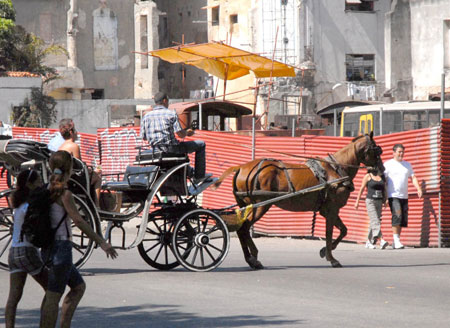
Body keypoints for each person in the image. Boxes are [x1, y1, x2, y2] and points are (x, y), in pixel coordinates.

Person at [40, 150, 118, 328]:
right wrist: (101, 241)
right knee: (53, 296)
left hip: (46, 247)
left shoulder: (45, 189)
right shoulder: (64, 193)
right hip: (61, 248)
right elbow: (78, 220)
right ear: (70, 170)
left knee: (77, 287)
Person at [5, 170, 48, 328]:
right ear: (30, 184)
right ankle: (45, 323)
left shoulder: (18, 203)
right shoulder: (32, 204)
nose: (41, 184)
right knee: (51, 289)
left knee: (14, 296)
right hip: (27, 251)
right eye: (38, 181)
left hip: (13, 251)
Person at [140, 91, 208, 184]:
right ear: (164, 101)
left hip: (155, 151)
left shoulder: (146, 116)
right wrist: (188, 133)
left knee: (180, 150)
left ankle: (189, 171)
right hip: (171, 149)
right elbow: (181, 134)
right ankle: (199, 177)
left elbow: (144, 137)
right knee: (201, 144)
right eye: (168, 101)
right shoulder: (170, 114)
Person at [384, 144, 422, 249]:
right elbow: (383, 181)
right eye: (399, 152)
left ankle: (396, 240)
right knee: (397, 215)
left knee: (402, 219)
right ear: (394, 152)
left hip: (404, 196)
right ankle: (396, 240)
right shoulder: (388, 164)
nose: (401, 154)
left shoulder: (407, 165)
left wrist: (418, 188)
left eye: (402, 152)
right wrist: (385, 197)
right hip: (393, 195)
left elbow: (413, 177)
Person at [57, 119, 102, 207]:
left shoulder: (61, 147)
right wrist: (94, 172)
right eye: (75, 130)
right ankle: (96, 207)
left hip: (68, 178)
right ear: (71, 132)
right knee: (97, 178)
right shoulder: (73, 146)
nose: (77, 133)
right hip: (76, 181)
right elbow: (80, 168)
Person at [355, 168, 389, 250]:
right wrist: (357, 201)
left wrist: (386, 199)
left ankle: (368, 242)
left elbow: (384, 189)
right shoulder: (368, 176)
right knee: (375, 220)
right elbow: (362, 188)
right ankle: (381, 240)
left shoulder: (381, 176)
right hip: (370, 201)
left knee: (374, 221)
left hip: (379, 201)